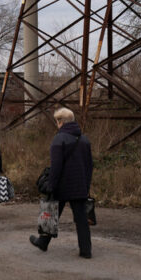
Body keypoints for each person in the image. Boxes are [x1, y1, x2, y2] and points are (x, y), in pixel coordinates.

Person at [30, 107, 93, 258]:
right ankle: (86, 250)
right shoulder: (84, 139)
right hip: (79, 186)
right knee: (81, 219)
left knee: (51, 212)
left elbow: (56, 166)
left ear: (61, 122)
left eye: (57, 121)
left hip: (62, 185)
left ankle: (43, 242)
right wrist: (86, 185)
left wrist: (51, 185)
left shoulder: (59, 140)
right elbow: (89, 165)